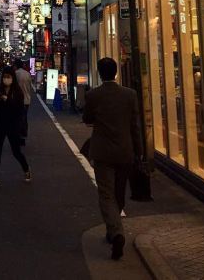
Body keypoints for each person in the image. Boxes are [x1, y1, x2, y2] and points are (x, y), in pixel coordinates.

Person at [82, 57, 142, 262]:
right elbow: (135, 125)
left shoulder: (93, 95)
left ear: (100, 73)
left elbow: (87, 119)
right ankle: (113, 230)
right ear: (115, 73)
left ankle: (116, 232)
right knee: (118, 190)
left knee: (106, 194)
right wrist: (139, 151)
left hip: (102, 152)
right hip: (125, 151)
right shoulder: (130, 95)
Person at [0, 66, 31, 186]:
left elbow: (17, 108)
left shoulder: (17, 92)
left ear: (13, 78)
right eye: (4, 77)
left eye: (8, 77)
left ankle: (26, 168)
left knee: (16, 151)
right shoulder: (0, 90)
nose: (6, 79)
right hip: (1, 123)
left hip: (13, 124)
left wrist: (6, 99)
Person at [14, 58, 32, 143]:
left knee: (18, 117)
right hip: (27, 98)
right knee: (24, 117)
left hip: (18, 99)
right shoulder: (27, 74)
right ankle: (24, 132)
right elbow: (29, 85)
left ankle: (19, 134)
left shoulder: (16, 74)